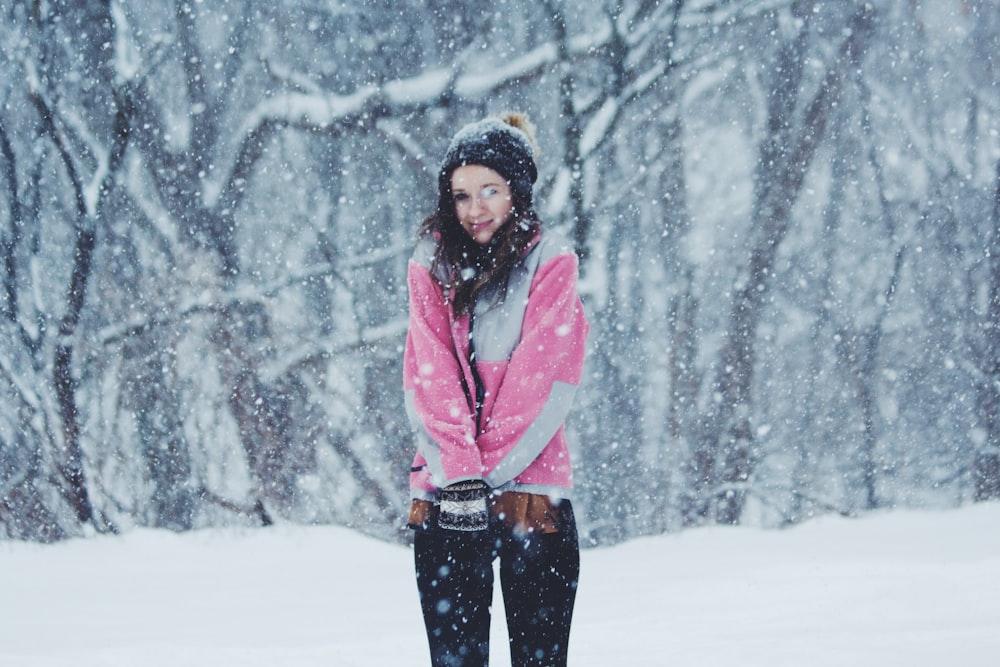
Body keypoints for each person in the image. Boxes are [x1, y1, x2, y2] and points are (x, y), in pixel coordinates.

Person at [403, 112, 590, 667]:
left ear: (518, 191)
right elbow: (429, 373)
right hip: (443, 491)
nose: (475, 208)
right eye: (461, 194)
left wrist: (484, 475)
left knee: (540, 657)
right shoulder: (428, 266)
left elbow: (542, 383)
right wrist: (458, 475)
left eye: (490, 190)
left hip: (531, 493)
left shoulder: (551, 266)